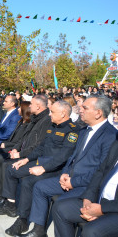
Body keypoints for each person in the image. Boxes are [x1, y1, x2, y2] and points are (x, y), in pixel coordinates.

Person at [23, 95, 117, 237]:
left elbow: (101, 170)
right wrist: (65, 174)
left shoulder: (110, 135)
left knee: (61, 204)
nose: (80, 110)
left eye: (85, 107)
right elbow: (72, 157)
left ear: (98, 113)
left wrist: (73, 182)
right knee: (40, 187)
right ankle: (38, 229)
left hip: (86, 183)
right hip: (70, 178)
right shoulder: (84, 130)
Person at [0, 101, 81, 236]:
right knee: (12, 168)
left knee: (29, 182)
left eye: (53, 112)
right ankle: (11, 205)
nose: (50, 114)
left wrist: (43, 168)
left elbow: (63, 157)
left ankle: (24, 220)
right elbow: (41, 147)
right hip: (41, 163)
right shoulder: (52, 126)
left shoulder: (72, 130)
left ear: (63, 113)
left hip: (56, 168)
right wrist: (26, 159)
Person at [53, 140, 118, 237]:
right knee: (60, 208)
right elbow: (100, 173)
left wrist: (102, 209)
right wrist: (88, 201)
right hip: (100, 201)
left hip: (114, 208)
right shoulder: (116, 143)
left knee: (91, 231)